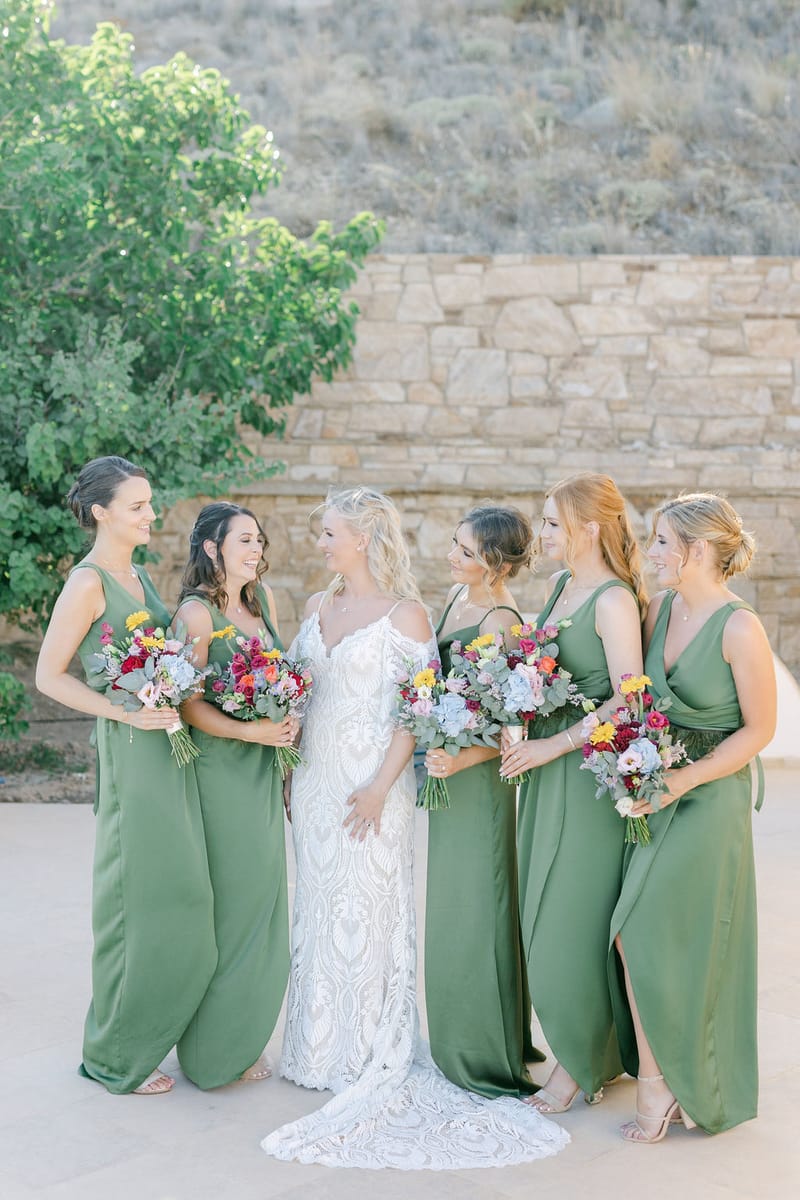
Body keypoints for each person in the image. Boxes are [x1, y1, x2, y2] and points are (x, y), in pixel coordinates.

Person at [261, 487, 568, 1169]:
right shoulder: (314, 608)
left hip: (377, 782)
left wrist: (376, 785)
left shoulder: (410, 615)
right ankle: (315, 1046)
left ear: (363, 537)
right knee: (316, 904)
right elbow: (298, 693)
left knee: (369, 904)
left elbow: (416, 707)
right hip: (315, 781)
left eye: (328, 531)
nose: (319, 541)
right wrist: (287, 767)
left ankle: (371, 1046)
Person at [35, 456, 216, 1095]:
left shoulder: (135, 575)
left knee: (175, 894)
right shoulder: (87, 583)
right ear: (101, 512)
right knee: (132, 900)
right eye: (137, 506)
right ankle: (115, 1054)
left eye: (149, 502)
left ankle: (159, 1029)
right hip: (132, 748)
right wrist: (123, 712)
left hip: (168, 746)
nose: (150, 514)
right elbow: (49, 675)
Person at [609, 493, 776, 1141]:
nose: (650, 556)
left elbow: (759, 730)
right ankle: (658, 1079)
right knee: (633, 930)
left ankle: (674, 1086)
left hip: (711, 795)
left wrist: (685, 778)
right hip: (655, 785)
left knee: (674, 937)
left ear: (697, 551)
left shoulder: (740, 628)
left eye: (659, 543)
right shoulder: (658, 608)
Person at [501, 473, 646, 1113]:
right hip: (541, 767)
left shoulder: (612, 601)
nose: (545, 533)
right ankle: (589, 1049)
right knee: (539, 916)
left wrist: (554, 745)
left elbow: (630, 696)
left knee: (569, 923)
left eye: (555, 523)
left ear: (589, 527)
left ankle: (578, 1064)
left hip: (582, 777)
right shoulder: (560, 586)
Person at [174, 502, 296, 1089]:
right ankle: (214, 1049)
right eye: (243, 539)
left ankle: (243, 1033)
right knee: (233, 904)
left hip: (264, 768)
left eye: (258, 538)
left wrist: (283, 729)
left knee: (263, 903)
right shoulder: (196, 617)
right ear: (212, 548)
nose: (255, 547)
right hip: (222, 771)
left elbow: (281, 678)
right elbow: (188, 704)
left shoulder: (262, 603)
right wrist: (253, 730)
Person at [424, 505, 544, 1099]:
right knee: (452, 904)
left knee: (479, 903)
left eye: (466, 551)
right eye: (455, 544)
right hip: (447, 771)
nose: (453, 556)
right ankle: (455, 1031)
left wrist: (459, 759)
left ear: (496, 562)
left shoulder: (503, 621)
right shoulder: (454, 599)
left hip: (476, 779)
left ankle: (484, 1048)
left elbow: (512, 727)